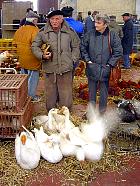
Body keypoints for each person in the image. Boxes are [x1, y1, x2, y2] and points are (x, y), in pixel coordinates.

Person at [31, 10, 80, 111]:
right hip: (50, 69)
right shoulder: (43, 32)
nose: (54, 21)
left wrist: (73, 60)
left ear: (62, 19)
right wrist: (42, 55)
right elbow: (34, 46)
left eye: (57, 19)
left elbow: (76, 47)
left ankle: (65, 117)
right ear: (49, 20)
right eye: (52, 19)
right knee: (50, 96)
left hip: (65, 68)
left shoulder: (70, 32)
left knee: (66, 95)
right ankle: (51, 116)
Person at [80, 14, 122, 114]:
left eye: (99, 23)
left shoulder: (112, 35)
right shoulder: (90, 34)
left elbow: (118, 51)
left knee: (104, 94)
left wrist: (109, 65)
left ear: (105, 24)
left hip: (105, 69)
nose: (96, 25)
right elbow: (82, 47)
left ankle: (102, 114)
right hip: (92, 68)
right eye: (95, 22)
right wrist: (88, 60)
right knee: (91, 93)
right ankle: (91, 115)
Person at [13, 11, 41, 102]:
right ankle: (31, 97)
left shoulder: (19, 30)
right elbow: (38, 45)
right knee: (33, 78)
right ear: (34, 20)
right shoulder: (35, 31)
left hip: (22, 59)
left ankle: (24, 95)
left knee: (24, 78)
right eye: (36, 20)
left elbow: (14, 44)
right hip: (33, 59)